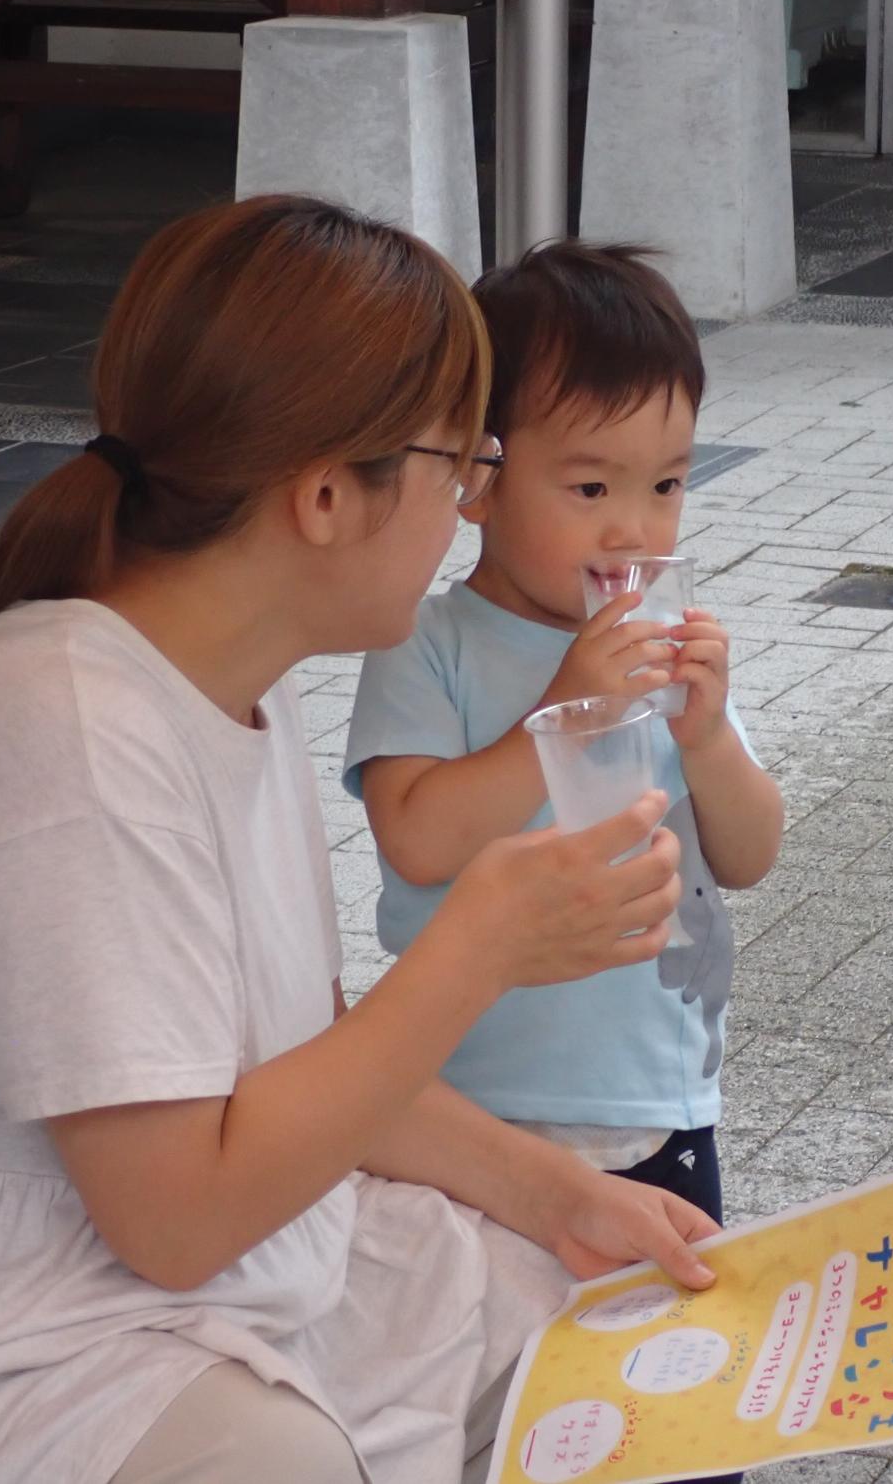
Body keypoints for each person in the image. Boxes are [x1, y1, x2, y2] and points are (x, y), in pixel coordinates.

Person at [0, 199, 724, 1484]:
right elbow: (176, 1220)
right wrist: (476, 951)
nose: (468, 500)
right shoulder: (65, 735)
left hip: (59, 1246)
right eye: (461, 457)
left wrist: (551, 1193)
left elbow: (299, 1062)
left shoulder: (229, 670)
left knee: (574, 1326)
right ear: (328, 495)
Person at [344, 240, 785, 1254]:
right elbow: (415, 836)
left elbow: (750, 853)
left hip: (655, 1104)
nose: (633, 530)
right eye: (590, 490)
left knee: (656, 1376)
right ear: (477, 478)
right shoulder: (424, 640)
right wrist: (563, 701)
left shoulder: (663, 655)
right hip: (466, 1112)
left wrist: (707, 734)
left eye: (667, 486)